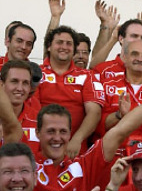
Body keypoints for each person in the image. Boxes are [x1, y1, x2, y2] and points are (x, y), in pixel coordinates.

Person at [37, 26, 103, 155]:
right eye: (59, 42)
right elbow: (31, 110)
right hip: (40, 148)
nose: (64, 47)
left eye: (69, 44)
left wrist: (77, 139)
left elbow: (94, 113)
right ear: (49, 47)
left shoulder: (87, 76)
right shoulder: (36, 72)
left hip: (74, 150)